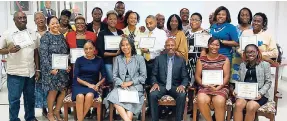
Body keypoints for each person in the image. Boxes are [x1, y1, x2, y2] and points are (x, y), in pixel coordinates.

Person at [0, 11, 40, 121]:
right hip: (15, 73)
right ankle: (13, 119)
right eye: (19, 18)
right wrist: (9, 50)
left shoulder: (33, 33)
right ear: (14, 20)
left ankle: (30, 117)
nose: (22, 19)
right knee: (14, 100)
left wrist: (37, 69)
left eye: (24, 17)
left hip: (30, 72)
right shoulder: (7, 33)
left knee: (30, 98)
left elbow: (36, 52)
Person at [105, 37, 147, 121]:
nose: (125, 47)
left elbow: (143, 76)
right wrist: (122, 83)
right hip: (121, 85)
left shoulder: (139, 58)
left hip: (135, 86)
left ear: (131, 46)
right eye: (122, 45)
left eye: (127, 44)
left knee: (130, 99)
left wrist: (130, 83)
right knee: (113, 96)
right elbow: (115, 76)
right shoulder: (117, 59)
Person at [149, 38, 189, 121]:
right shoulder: (158, 59)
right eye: (168, 45)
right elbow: (153, 75)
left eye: (172, 45)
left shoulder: (181, 60)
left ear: (175, 47)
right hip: (161, 86)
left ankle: (178, 119)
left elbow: (185, 77)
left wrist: (183, 85)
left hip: (175, 87)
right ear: (165, 47)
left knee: (182, 95)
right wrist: (155, 83)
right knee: (153, 94)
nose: (170, 47)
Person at [40, 16, 71, 121]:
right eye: (52, 23)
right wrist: (50, 69)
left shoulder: (61, 36)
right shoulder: (45, 37)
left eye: (57, 23)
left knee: (63, 91)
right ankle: (50, 114)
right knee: (53, 92)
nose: (55, 25)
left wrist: (67, 65)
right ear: (48, 25)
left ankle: (57, 111)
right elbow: (43, 56)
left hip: (62, 70)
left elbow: (66, 53)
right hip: (51, 71)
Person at [195, 37, 230, 121]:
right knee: (201, 99)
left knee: (219, 101)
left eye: (217, 45)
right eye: (212, 44)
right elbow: (197, 76)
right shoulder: (201, 60)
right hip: (205, 86)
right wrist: (204, 84)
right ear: (208, 45)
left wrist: (218, 87)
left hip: (221, 87)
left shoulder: (225, 59)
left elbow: (227, 76)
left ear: (219, 47)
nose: (214, 47)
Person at [233, 44, 272, 121]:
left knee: (250, 106)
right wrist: (236, 89)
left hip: (259, 94)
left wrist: (260, 93)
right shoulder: (242, 65)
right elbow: (239, 80)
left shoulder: (265, 65)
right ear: (245, 53)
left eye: (252, 52)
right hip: (245, 92)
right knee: (238, 105)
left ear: (257, 52)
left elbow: (268, 82)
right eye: (248, 52)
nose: (250, 54)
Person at [72, 41, 106, 121]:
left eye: (90, 48)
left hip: (93, 85)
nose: (88, 51)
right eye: (86, 49)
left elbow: (104, 76)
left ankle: (80, 119)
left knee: (89, 96)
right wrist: (89, 85)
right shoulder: (79, 60)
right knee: (80, 96)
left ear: (94, 49)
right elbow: (76, 77)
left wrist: (97, 85)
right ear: (83, 50)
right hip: (79, 84)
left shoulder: (99, 60)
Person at [96, 10, 124, 84]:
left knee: (121, 81)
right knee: (112, 81)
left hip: (121, 62)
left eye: (114, 19)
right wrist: (115, 54)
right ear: (107, 20)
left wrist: (125, 39)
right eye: (110, 19)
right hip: (108, 62)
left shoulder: (120, 32)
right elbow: (101, 52)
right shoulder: (102, 33)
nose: (113, 21)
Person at [231, 7, 253, 83]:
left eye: (247, 15)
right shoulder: (233, 29)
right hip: (235, 58)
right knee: (234, 82)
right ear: (239, 17)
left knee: (247, 80)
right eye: (242, 15)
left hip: (249, 59)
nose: (244, 17)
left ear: (250, 17)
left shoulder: (254, 29)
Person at [34, 11, 48, 118]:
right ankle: (43, 108)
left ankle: (52, 107)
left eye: (42, 18)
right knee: (40, 87)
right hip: (37, 64)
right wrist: (37, 69)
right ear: (34, 21)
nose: (40, 20)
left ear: (45, 19)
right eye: (37, 18)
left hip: (50, 65)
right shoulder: (32, 34)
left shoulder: (51, 31)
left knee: (51, 87)